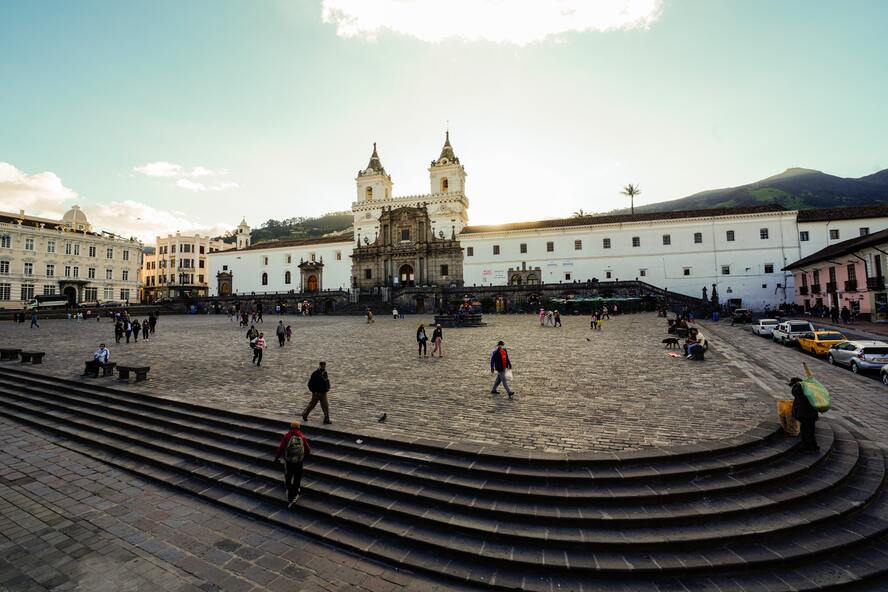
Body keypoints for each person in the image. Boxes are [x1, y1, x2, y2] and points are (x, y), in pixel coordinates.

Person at [274, 420, 311, 508]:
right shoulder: (301, 436)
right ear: (299, 428)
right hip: (299, 461)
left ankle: (289, 490)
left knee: (288, 475)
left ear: (290, 427)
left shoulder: (287, 436)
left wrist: (277, 457)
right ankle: (296, 490)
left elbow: (281, 448)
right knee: (297, 476)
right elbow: (308, 449)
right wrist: (303, 456)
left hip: (289, 460)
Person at [789, 377, 820, 451]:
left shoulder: (798, 388)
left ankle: (807, 447)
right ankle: (814, 446)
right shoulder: (808, 389)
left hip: (805, 415)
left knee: (805, 431)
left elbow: (794, 393)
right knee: (811, 431)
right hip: (812, 414)